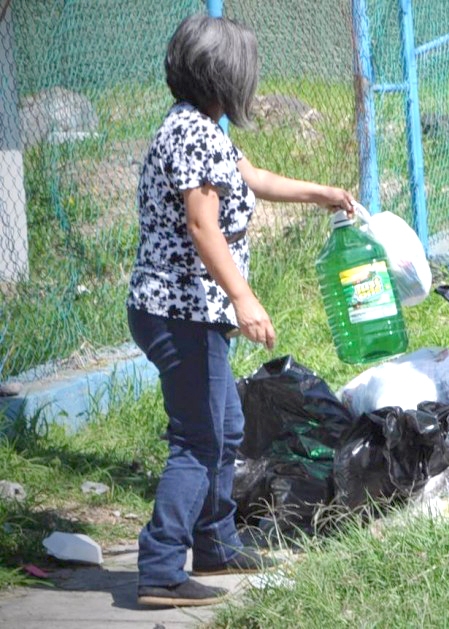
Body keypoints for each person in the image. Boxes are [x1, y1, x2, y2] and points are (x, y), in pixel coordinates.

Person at [127, 13, 355, 608]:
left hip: (189, 311)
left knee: (225, 427)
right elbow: (204, 228)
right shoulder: (192, 135)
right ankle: (159, 567)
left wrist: (322, 193)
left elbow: (251, 178)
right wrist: (244, 298)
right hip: (182, 311)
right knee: (199, 439)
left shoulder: (203, 129)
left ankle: (216, 542)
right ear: (222, 76)